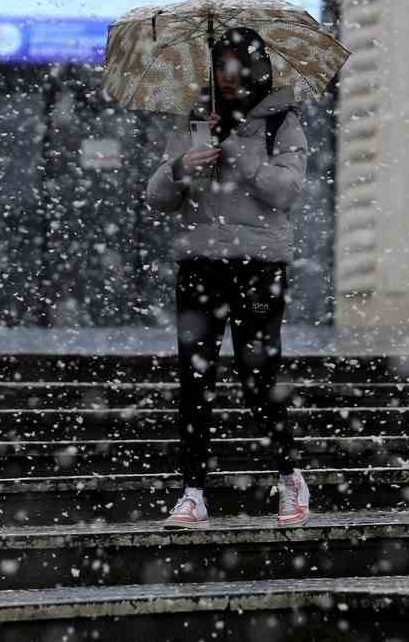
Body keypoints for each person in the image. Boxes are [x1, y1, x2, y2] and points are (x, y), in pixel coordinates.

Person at [145, 28, 311, 529]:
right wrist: (180, 166)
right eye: (219, 67)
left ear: (256, 69)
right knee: (194, 379)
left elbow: (286, 190)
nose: (227, 76)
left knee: (258, 375)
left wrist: (238, 153)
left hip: (258, 265)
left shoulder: (280, 120)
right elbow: (158, 197)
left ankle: (289, 478)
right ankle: (193, 492)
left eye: (237, 66)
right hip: (199, 262)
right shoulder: (195, 117)